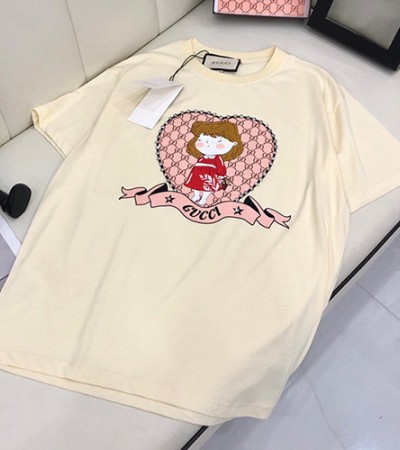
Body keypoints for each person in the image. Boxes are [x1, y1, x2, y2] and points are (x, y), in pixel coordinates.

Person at [184, 121, 244, 206]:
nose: (208, 145)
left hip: (210, 175)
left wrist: (221, 175)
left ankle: (204, 198)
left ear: (234, 143)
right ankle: (196, 195)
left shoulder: (217, 158)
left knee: (207, 187)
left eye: (218, 142)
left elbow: (221, 167)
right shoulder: (201, 157)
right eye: (201, 140)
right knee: (194, 185)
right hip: (196, 173)